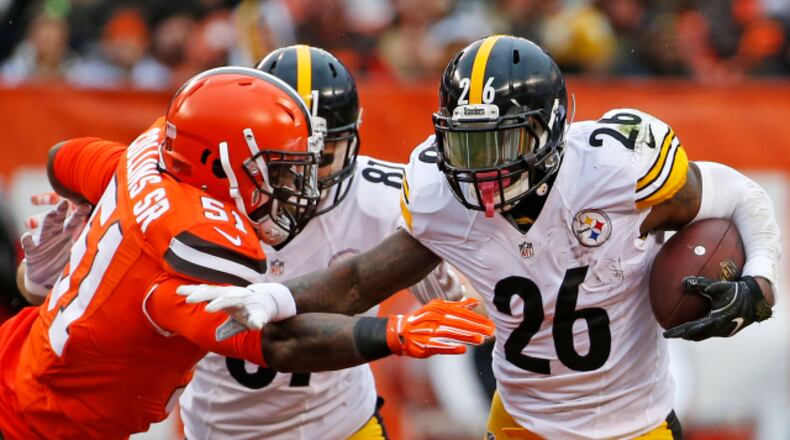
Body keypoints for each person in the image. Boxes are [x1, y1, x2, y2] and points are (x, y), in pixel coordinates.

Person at [180, 36, 781, 439]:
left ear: (549, 131)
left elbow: (738, 195)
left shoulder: (617, 168)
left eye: (501, 143)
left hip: (631, 426)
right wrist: (276, 299)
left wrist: (761, 280)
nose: (482, 168)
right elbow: (360, 279)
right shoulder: (442, 196)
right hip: (518, 419)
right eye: (466, 145)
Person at [0, 66, 493, 439]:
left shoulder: (149, 158)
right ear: (221, 163)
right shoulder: (192, 249)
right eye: (277, 172)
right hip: (39, 424)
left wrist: (66, 260)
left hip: (22, 365)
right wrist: (392, 332)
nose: (300, 188)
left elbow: (62, 158)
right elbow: (279, 341)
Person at [179, 45, 466, 440]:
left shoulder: (383, 196)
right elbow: (280, 341)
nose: (308, 174)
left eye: (323, 155)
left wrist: (456, 283)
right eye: (293, 156)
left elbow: (463, 302)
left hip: (345, 425)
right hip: (226, 431)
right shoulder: (204, 200)